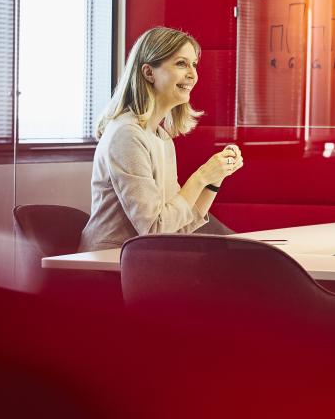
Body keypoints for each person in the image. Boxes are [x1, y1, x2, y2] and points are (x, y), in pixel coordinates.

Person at [79, 27, 244, 252]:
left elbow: (178, 227)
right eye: (181, 63)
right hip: (111, 263)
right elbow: (155, 230)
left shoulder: (160, 137)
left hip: (145, 258)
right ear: (149, 72)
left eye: (194, 64)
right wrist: (201, 176)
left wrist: (214, 179)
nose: (193, 74)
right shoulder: (127, 135)